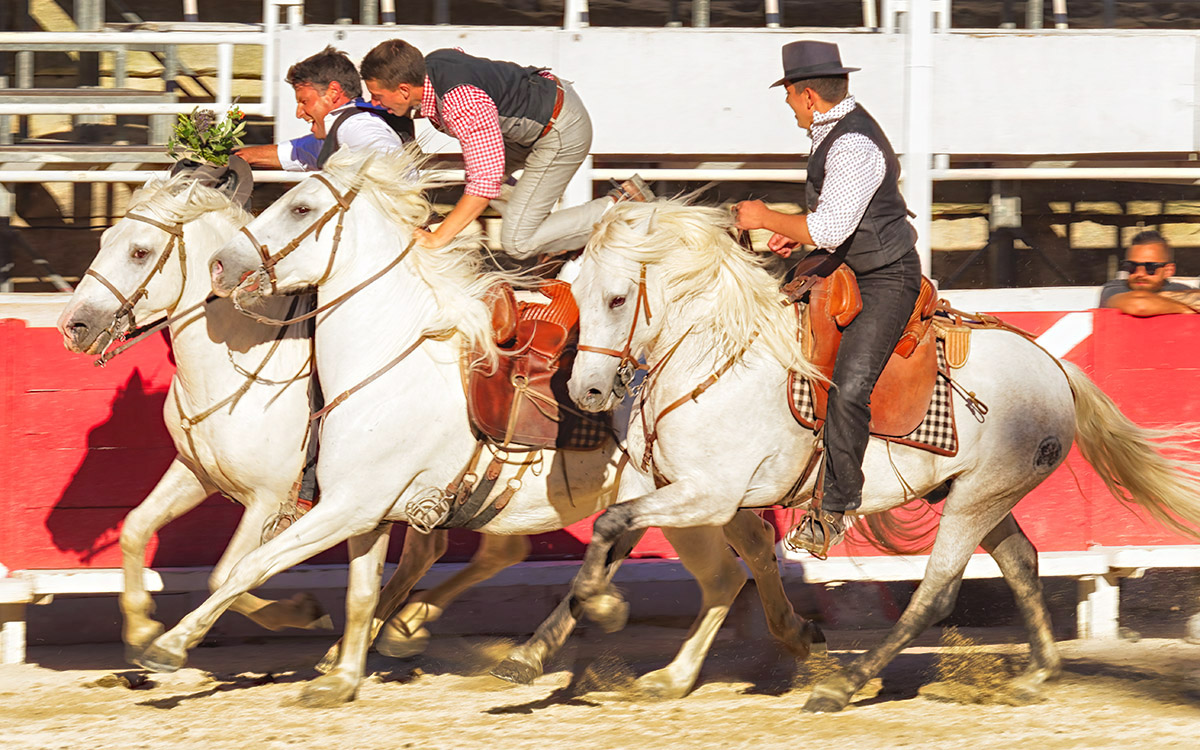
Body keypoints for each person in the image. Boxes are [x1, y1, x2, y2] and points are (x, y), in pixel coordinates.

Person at [732, 40, 922, 557]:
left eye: (790, 97)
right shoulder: (835, 132)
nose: (789, 106)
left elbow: (832, 226)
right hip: (850, 265)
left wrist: (767, 218)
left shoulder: (851, 144)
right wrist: (798, 233)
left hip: (887, 277)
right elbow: (834, 220)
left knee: (849, 385)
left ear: (807, 95)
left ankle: (835, 509)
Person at [357, 40, 652, 259]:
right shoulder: (433, 66)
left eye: (378, 96)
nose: (375, 103)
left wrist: (439, 238)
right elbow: (460, 57)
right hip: (537, 121)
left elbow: (483, 185)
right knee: (478, 179)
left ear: (405, 90)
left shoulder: (462, 102)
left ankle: (622, 205)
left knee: (518, 243)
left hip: (559, 131)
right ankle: (551, 236)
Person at [236, 46, 412, 172]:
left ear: (333, 92)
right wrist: (237, 157)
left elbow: (402, 174)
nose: (299, 114)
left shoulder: (355, 127)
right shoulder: (341, 129)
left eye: (304, 101)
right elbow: (296, 152)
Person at [1098, 231, 1195, 315]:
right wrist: (1185, 308)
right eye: (1132, 266)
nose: (1140, 273)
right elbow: (1139, 305)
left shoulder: (1179, 288)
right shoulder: (1113, 289)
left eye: (1150, 267)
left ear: (1168, 270)